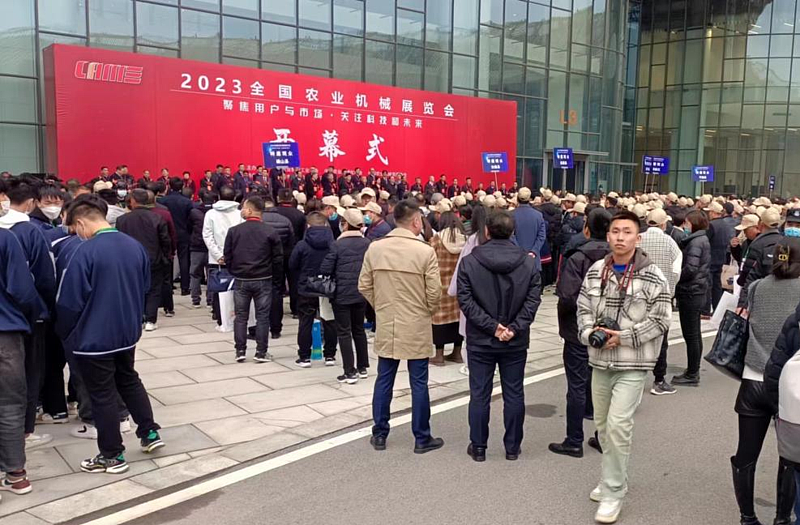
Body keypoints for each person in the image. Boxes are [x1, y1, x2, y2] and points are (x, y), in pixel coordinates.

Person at [56, 198, 164, 474]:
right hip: (127, 332)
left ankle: (112, 454)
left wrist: (65, 333)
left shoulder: (85, 252)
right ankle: (149, 432)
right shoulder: (134, 246)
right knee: (128, 379)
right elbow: (145, 286)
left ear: (81, 223)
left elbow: (69, 301)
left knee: (102, 394)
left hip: (93, 337)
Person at [577, 210, 672, 524]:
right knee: (603, 427)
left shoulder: (652, 275)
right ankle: (611, 477)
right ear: (608, 236)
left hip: (633, 362)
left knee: (619, 426)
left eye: (627, 232)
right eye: (616, 231)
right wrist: (590, 334)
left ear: (638, 238)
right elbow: (582, 309)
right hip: (599, 360)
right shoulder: (596, 271)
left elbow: (661, 320)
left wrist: (624, 337)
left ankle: (614, 492)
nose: (620, 237)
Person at [359, 199, 444, 454]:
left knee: (384, 378)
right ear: (416, 221)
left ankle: (380, 433)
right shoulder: (424, 251)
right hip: (416, 321)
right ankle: (421, 437)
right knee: (419, 381)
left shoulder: (376, 248)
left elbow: (364, 285)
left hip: (387, 320)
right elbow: (434, 292)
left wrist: (382, 306)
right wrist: (426, 311)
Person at [725, 237, 800, 525]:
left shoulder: (757, 287)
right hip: (788, 384)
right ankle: (782, 518)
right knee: (791, 455)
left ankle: (747, 517)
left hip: (753, 378)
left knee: (746, 454)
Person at [457, 210, 542, 462]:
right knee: (514, 393)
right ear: (513, 232)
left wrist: (492, 327)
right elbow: (533, 301)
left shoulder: (470, 261)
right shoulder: (527, 262)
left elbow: (466, 301)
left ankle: (479, 446)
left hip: (480, 338)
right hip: (514, 339)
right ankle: (512, 447)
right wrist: (513, 328)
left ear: (486, 231)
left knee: (479, 394)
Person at [549, 208, 611, 458]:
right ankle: (603, 436)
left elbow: (567, 295)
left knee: (576, 385)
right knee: (605, 384)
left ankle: (574, 440)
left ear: (586, 228)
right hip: (609, 331)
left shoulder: (578, 257)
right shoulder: (619, 257)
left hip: (578, 329)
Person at [0, 181, 57, 448]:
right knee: (24, 379)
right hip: (16, 321)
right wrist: (39, 311)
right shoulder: (25, 232)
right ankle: (23, 434)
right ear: (32, 202)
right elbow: (38, 281)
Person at [0, 226, 42, 494]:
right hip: (6, 332)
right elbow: (23, 290)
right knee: (10, 404)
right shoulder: (5, 238)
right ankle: (16, 473)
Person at [223, 196, 283, 363]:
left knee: (241, 316)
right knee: (262, 316)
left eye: (243, 207)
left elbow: (228, 255)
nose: (241, 210)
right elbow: (278, 258)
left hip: (241, 278)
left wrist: (234, 270)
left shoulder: (234, 231)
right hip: (263, 278)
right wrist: (276, 277)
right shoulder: (270, 231)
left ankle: (240, 350)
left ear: (249, 210)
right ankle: (261, 352)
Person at [319, 209, 371, 384]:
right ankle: (363, 367)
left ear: (346, 224)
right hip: (361, 292)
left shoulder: (337, 245)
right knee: (359, 329)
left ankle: (349, 371)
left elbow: (326, 268)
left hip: (341, 294)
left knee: (344, 332)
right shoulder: (367, 243)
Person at [636, 208, 682, 396]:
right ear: (664, 224)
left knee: (636, 336)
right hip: (662, 298)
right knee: (660, 339)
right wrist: (670, 288)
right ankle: (659, 380)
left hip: (638, 296)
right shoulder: (670, 242)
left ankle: (634, 380)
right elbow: (676, 271)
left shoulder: (638, 239)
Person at [116, 189, 172, 332]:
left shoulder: (122, 220)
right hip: (154, 258)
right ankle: (150, 320)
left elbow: (119, 241)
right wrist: (166, 256)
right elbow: (165, 240)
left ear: (133, 201)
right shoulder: (157, 218)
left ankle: (139, 317)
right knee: (154, 290)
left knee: (135, 288)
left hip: (130, 260)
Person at [289, 212, 337, 367]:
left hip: (306, 287)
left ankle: (304, 356)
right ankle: (330, 355)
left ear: (308, 226)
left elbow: (292, 265)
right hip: (326, 287)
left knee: (305, 322)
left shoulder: (302, 245)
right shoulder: (333, 244)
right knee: (329, 321)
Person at [671, 210, 711, 387]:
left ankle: (693, 372)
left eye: (687, 223)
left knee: (691, 334)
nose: (685, 226)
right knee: (694, 333)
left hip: (691, 290)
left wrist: (676, 278)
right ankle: (692, 370)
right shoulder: (700, 239)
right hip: (696, 289)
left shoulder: (695, 242)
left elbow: (691, 268)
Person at [430, 211, 467, 366]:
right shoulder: (465, 239)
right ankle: (457, 353)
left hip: (441, 284)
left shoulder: (437, 239)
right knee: (459, 318)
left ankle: (439, 355)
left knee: (439, 319)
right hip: (460, 285)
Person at [202, 186, 243, 327]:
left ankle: (220, 317)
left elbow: (207, 236)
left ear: (219, 197)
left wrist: (218, 255)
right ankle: (235, 315)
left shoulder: (210, 214)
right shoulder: (239, 214)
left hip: (216, 258)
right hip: (236, 257)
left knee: (218, 286)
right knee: (236, 286)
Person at [262, 197, 295, 338]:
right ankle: (276, 328)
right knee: (277, 292)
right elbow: (291, 241)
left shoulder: (259, 221)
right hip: (280, 259)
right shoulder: (285, 220)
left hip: (261, 261)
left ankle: (259, 327)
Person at [738, 208, 782, 309]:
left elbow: (749, 275)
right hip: (779, 295)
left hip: (759, 295)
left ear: (761, 224)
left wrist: (742, 304)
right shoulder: (784, 242)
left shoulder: (757, 244)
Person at [159, 178, 194, 296]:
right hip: (183, 232)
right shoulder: (187, 202)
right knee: (184, 259)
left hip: (167, 232)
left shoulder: (163, 201)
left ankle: (169, 285)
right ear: (182, 187)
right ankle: (185, 287)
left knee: (169, 258)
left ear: (169, 186)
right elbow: (190, 219)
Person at [275, 188, 307, 316]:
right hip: (294, 251)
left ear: (278, 198)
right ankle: (296, 310)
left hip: (276, 252)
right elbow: (303, 235)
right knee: (294, 282)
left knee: (277, 283)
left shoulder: (274, 213)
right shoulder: (299, 214)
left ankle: (277, 312)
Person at [189, 191, 215, 308]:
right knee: (211, 274)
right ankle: (210, 300)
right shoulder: (215, 213)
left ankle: (195, 299)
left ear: (201, 199)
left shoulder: (194, 212)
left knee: (195, 273)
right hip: (212, 247)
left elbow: (189, 227)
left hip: (197, 246)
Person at [512, 188, 547, 273]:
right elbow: (542, 236)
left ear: (517, 198)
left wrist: (519, 251)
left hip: (515, 259)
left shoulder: (510, 215)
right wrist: (534, 251)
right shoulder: (538, 215)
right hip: (533, 261)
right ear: (530, 199)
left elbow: (510, 236)